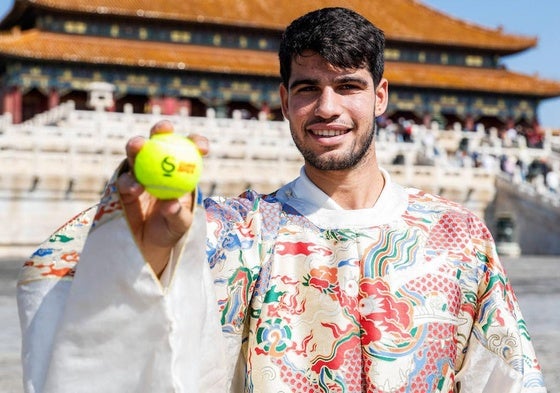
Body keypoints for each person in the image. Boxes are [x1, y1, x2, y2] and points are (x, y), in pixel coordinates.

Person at [17, 7, 546, 393]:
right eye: (307, 88)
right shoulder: (240, 232)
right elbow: (62, 276)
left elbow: (507, 377)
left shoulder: (457, 234)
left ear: (380, 96)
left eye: (348, 86)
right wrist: (147, 247)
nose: (327, 108)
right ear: (283, 99)